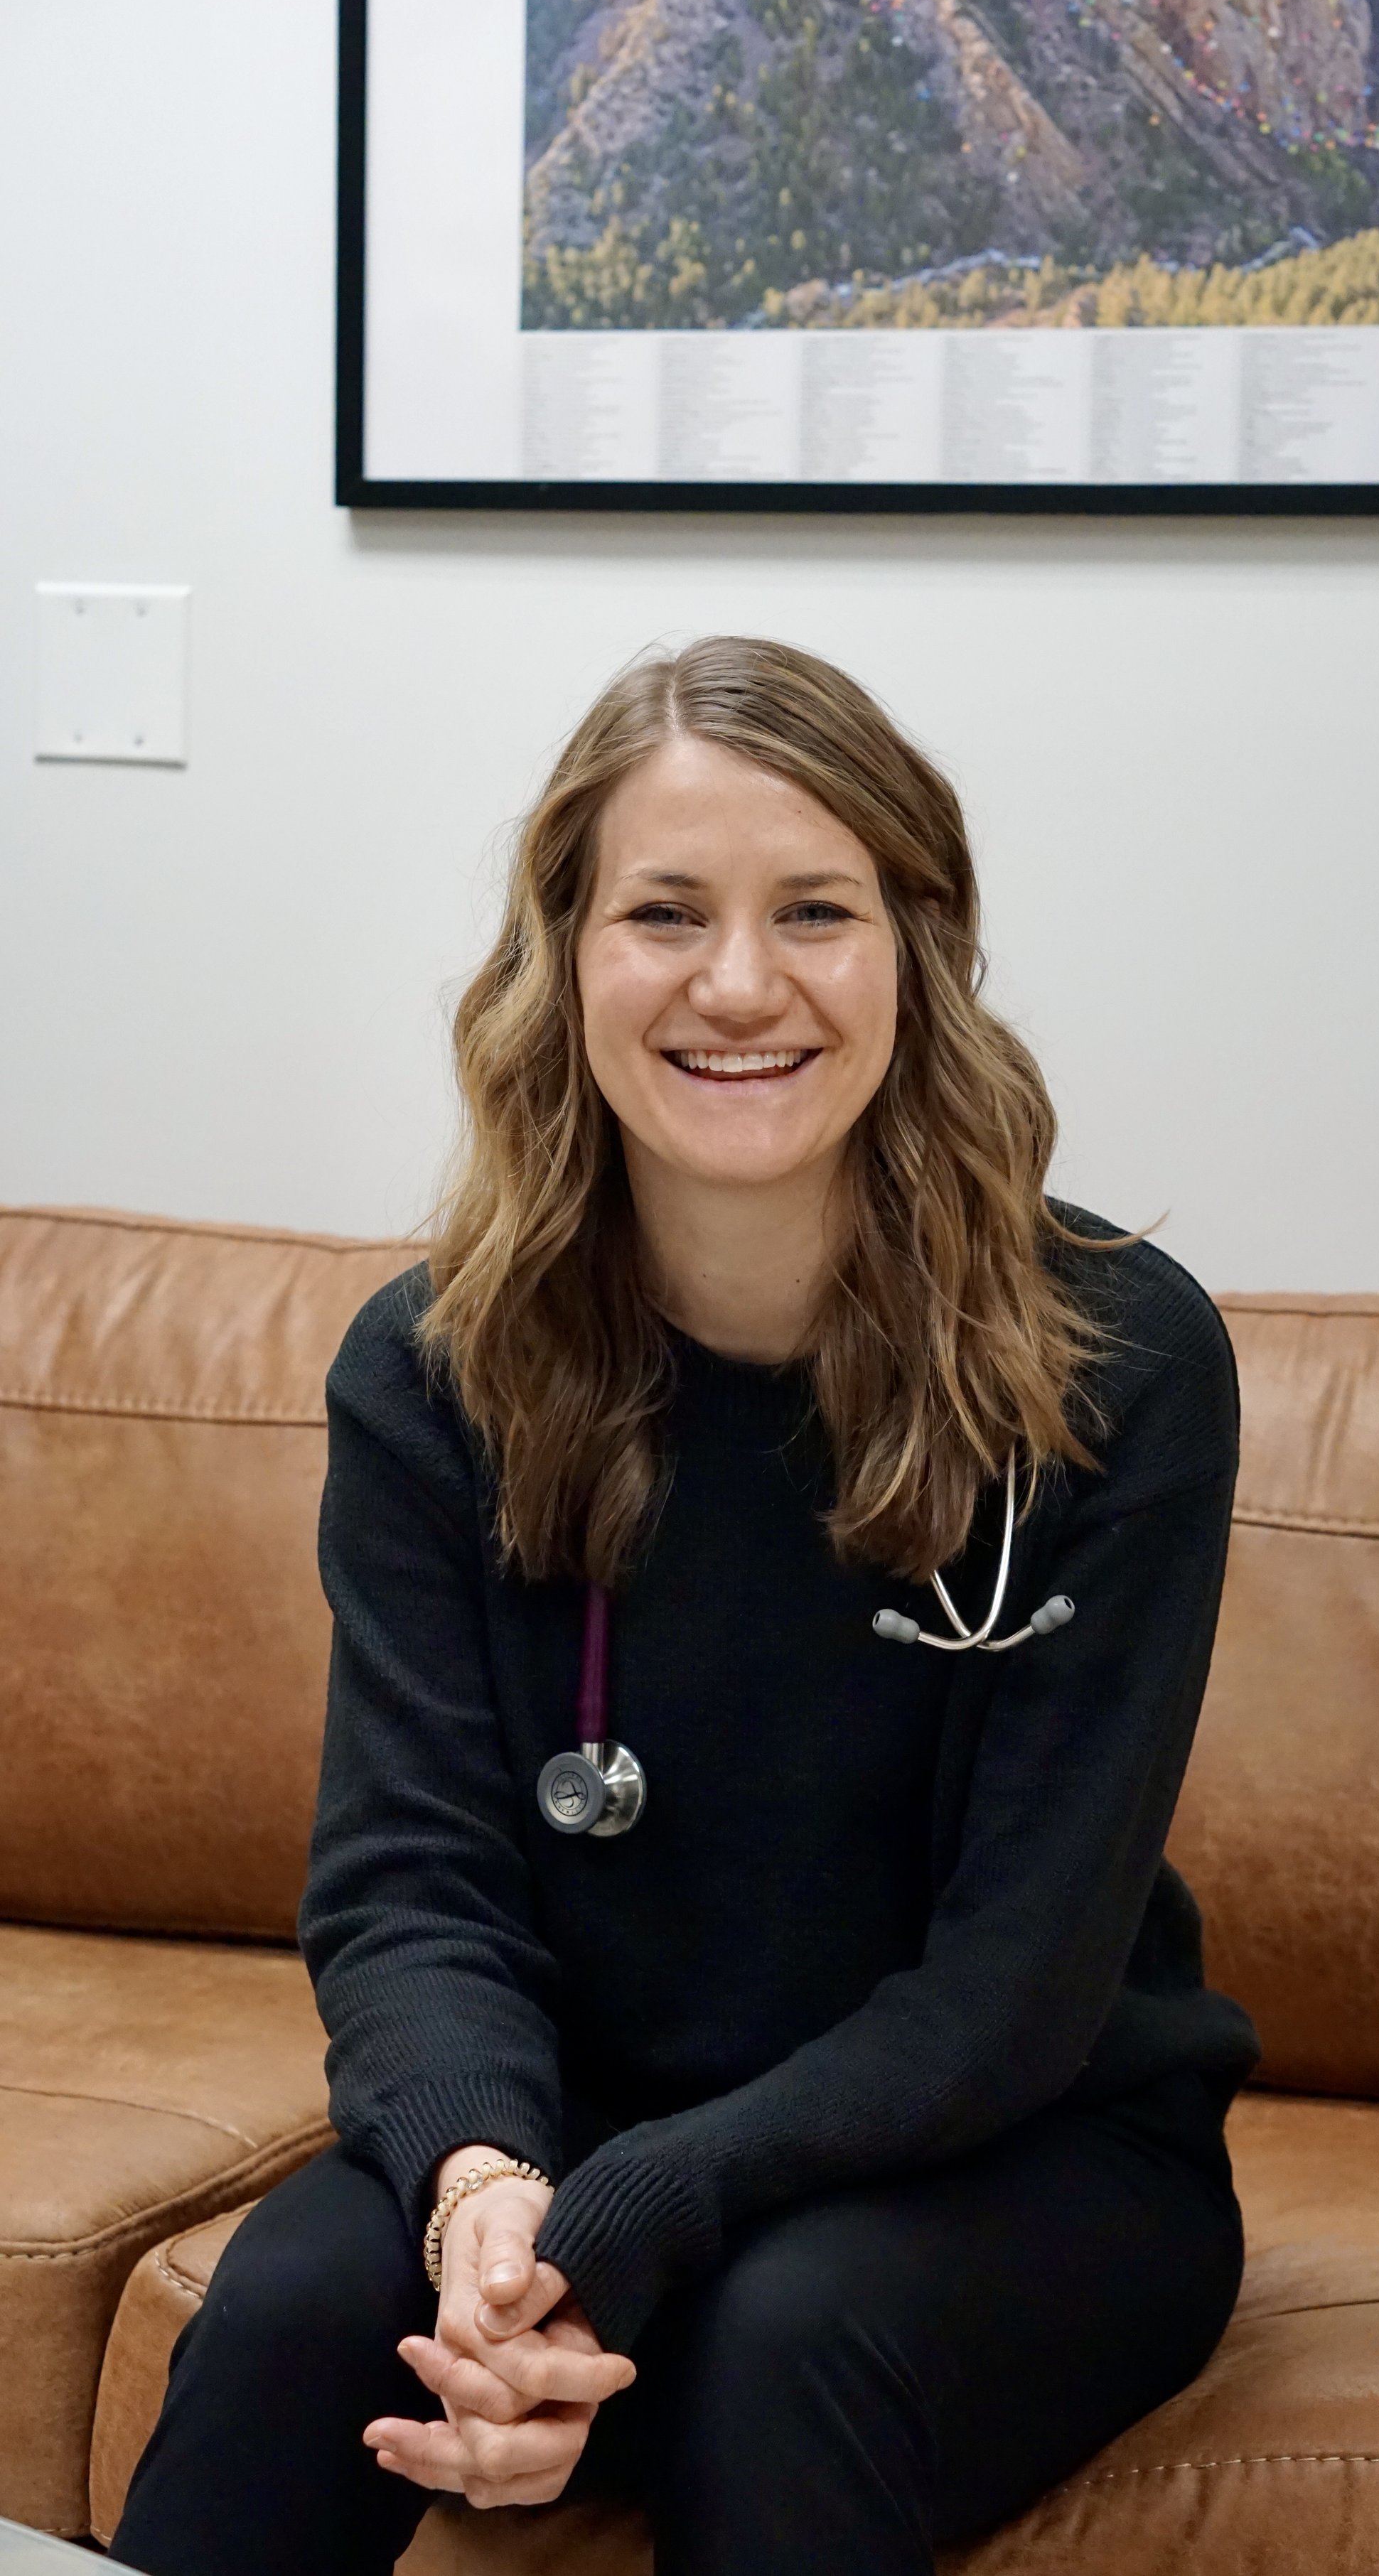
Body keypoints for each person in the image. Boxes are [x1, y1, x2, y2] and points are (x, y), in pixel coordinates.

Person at [112, 637, 1258, 2576]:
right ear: (563, 958)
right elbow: (408, 1883)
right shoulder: (434, 1375)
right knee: (303, 2309)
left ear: (917, 951)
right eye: (664, 913)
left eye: (813, 910)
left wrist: (636, 2216)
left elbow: (1015, 1991)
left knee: (771, 2345)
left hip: (1023, 2149)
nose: (737, 983)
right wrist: (488, 2186)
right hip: (581, 2133)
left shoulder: (1116, 1367)